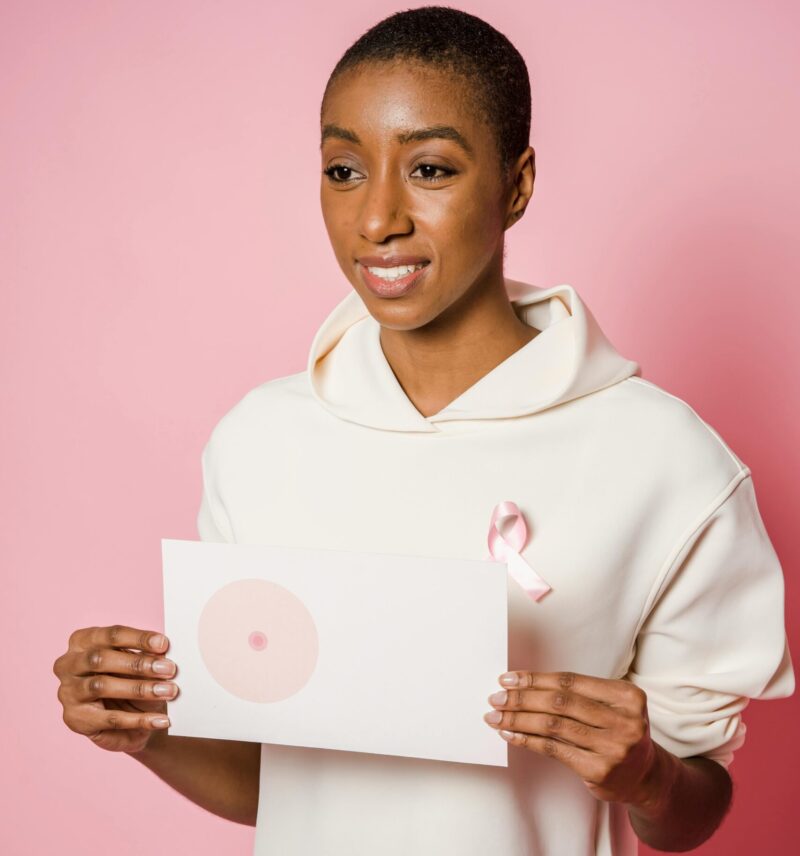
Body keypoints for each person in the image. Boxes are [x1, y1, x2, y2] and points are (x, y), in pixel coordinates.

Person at [53, 6, 794, 855]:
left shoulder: (667, 463)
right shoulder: (260, 443)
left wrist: (651, 776)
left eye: (431, 168)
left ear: (515, 185)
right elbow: (273, 780)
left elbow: (691, 808)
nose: (377, 219)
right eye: (342, 168)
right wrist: (140, 727)